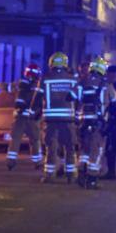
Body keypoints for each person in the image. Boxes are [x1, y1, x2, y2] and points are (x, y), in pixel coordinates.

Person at [41, 51, 79, 183]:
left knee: (51, 147)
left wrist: (33, 113)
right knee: (70, 147)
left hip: (51, 120)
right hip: (68, 119)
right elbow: (79, 99)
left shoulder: (45, 79)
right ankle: (71, 176)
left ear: (51, 63)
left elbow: (38, 97)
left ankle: (49, 176)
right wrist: (78, 117)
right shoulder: (73, 79)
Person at [77, 57, 112, 189]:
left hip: (84, 122)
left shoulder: (83, 82)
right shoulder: (105, 84)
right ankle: (92, 179)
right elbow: (114, 100)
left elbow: (74, 98)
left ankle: (81, 173)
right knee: (96, 150)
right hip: (99, 123)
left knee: (84, 149)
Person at [6, 62, 44, 170]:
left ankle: (11, 162)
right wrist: (39, 113)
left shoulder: (20, 83)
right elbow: (42, 102)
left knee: (15, 140)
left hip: (19, 118)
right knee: (35, 140)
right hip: (32, 119)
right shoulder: (39, 86)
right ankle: (37, 162)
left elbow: (8, 88)